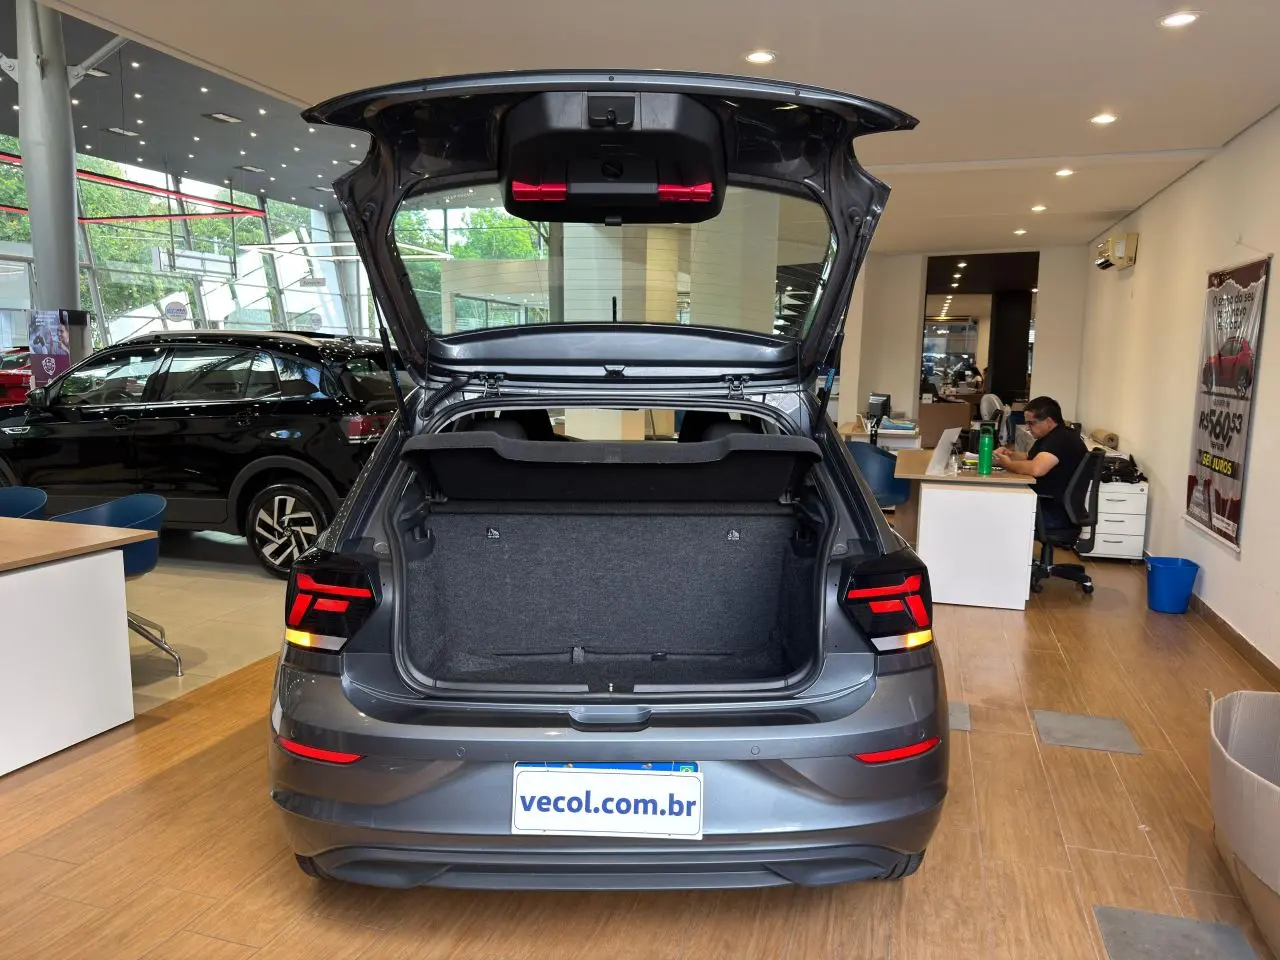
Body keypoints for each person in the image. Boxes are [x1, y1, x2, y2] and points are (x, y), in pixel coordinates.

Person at [994, 395, 1087, 531]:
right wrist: (1010, 454)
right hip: (1048, 506)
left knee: (997, 511)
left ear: (1048, 421)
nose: (1028, 428)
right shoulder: (1051, 437)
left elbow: (1036, 468)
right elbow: (1029, 457)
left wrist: (1008, 464)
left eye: (1031, 423)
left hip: (1052, 513)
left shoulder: (1060, 439)